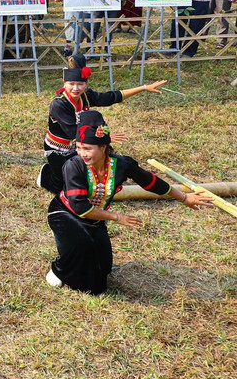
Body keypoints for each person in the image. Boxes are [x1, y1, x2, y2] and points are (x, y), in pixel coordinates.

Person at [46, 111, 212, 295]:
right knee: (82, 245)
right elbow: (79, 206)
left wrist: (184, 197)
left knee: (103, 268)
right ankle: (58, 269)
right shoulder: (74, 165)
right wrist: (117, 217)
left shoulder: (122, 164)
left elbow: (150, 182)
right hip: (64, 213)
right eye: (78, 147)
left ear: (103, 147)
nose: (82, 153)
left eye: (87, 148)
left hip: (94, 217)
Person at [38, 53, 167, 194]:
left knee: (98, 171)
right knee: (66, 189)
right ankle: (46, 173)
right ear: (64, 83)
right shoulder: (59, 104)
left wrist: (143, 88)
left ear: (86, 84)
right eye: (71, 84)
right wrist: (104, 138)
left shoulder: (85, 95)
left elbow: (110, 97)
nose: (76, 88)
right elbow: (72, 131)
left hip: (81, 144)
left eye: (80, 84)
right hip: (59, 149)